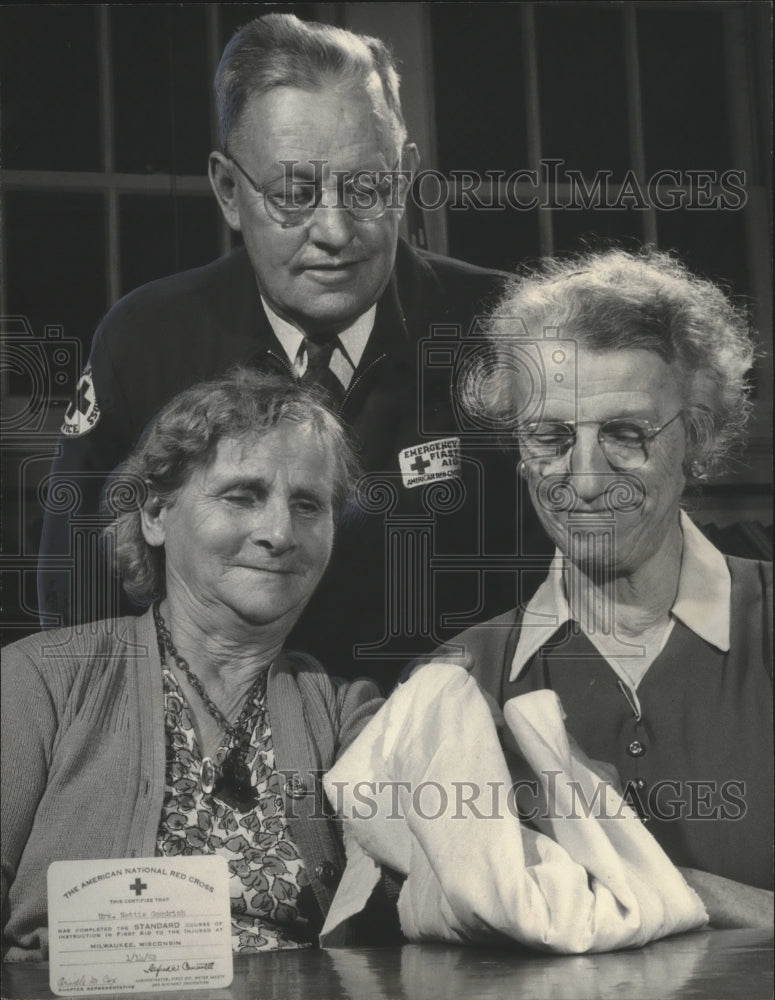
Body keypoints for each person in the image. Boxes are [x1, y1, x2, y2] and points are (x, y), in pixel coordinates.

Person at [38, 12, 546, 685]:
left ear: (407, 173)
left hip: (453, 746)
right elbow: (77, 596)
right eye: (294, 194)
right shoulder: (145, 338)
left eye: (366, 187)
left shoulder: (506, 329)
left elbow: (573, 578)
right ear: (227, 190)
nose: (334, 230)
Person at [2, 370, 388, 961]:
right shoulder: (41, 681)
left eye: (308, 505)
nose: (279, 533)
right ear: (156, 514)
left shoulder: (347, 714)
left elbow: (415, 899)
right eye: (243, 495)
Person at [440, 248, 773, 926]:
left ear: (698, 438)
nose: (585, 480)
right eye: (550, 438)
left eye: (626, 434)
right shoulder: (465, 678)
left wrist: (665, 890)